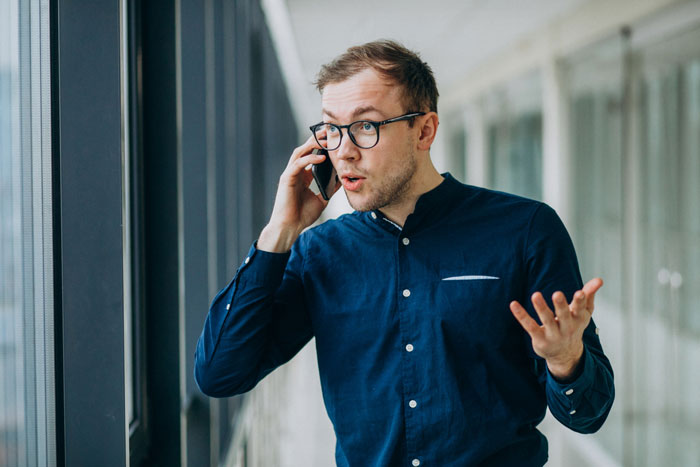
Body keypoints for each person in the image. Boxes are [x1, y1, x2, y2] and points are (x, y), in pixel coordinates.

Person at [194, 40, 614, 466]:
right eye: (332, 129)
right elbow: (221, 372)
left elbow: (589, 414)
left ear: (424, 131)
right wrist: (278, 232)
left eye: (365, 126)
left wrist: (566, 360)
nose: (343, 151)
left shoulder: (524, 230)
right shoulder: (318, 253)